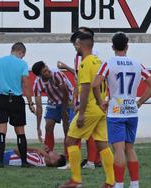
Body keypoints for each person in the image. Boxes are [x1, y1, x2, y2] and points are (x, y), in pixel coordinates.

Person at [92, 32, 151, 188]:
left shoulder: (108, 63)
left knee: (119, 149)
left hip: (115, 111)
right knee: (129, 148)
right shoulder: (137, 64)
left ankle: (119, 184)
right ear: (127, 46)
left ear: (112, 47)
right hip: (131, 110)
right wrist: (140, 102)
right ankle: (135, 184)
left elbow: (95, 85)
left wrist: (100, 101)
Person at [59, 33, 115, 188]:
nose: (75, 48)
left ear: (81, 45)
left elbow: (84, 90)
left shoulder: (85, 63)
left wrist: (81, 112)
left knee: (70, 140)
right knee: (102, 144)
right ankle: (111, 182)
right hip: (101, 108)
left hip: (90, 109)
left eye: (76, 45)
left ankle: (76, 180)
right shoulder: (99, 62)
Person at [0, 42, 35, 168]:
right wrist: (30, 103)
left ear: (12, 50)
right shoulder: (22, 64)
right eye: (22, 55)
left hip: (1, 99)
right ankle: (24, 162)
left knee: (1, 131)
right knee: (20, 131)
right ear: (21, 52)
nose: (22, 58)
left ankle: (0, 162)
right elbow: (26, 84)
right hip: (16, 100)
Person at [57, 27, 101, 169]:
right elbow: (80, 79)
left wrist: (81, 109)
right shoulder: (91, 59)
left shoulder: (89, 58)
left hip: (89, 104)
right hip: (95, 104)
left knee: (71, 137)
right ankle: (107, 176)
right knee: (99, 139)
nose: (76, 43)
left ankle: (76, 170)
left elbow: (87, 84)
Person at [32, 61, 74, 157]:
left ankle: (68, 155)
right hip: (53, 102)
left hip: (68, 100)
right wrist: (38, 127)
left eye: (47, 69)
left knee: (67, 128)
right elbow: (39, 107)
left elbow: (66, 94)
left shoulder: (57, 74)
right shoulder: (37, 84)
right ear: (39, 76)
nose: (47, 72)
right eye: (44, 72)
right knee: (48, 126)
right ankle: (48, 154)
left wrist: (64, 111)